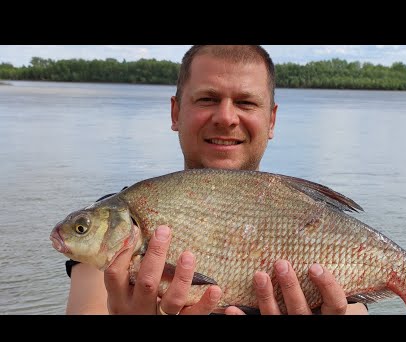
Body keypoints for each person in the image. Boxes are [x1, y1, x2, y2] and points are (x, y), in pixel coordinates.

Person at [66, 45, 369, 315]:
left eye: (246, 103)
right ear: (176, 112)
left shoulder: (313, 214)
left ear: (271, 120)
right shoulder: (120, 216)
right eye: (208, 99)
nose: (226, 117)